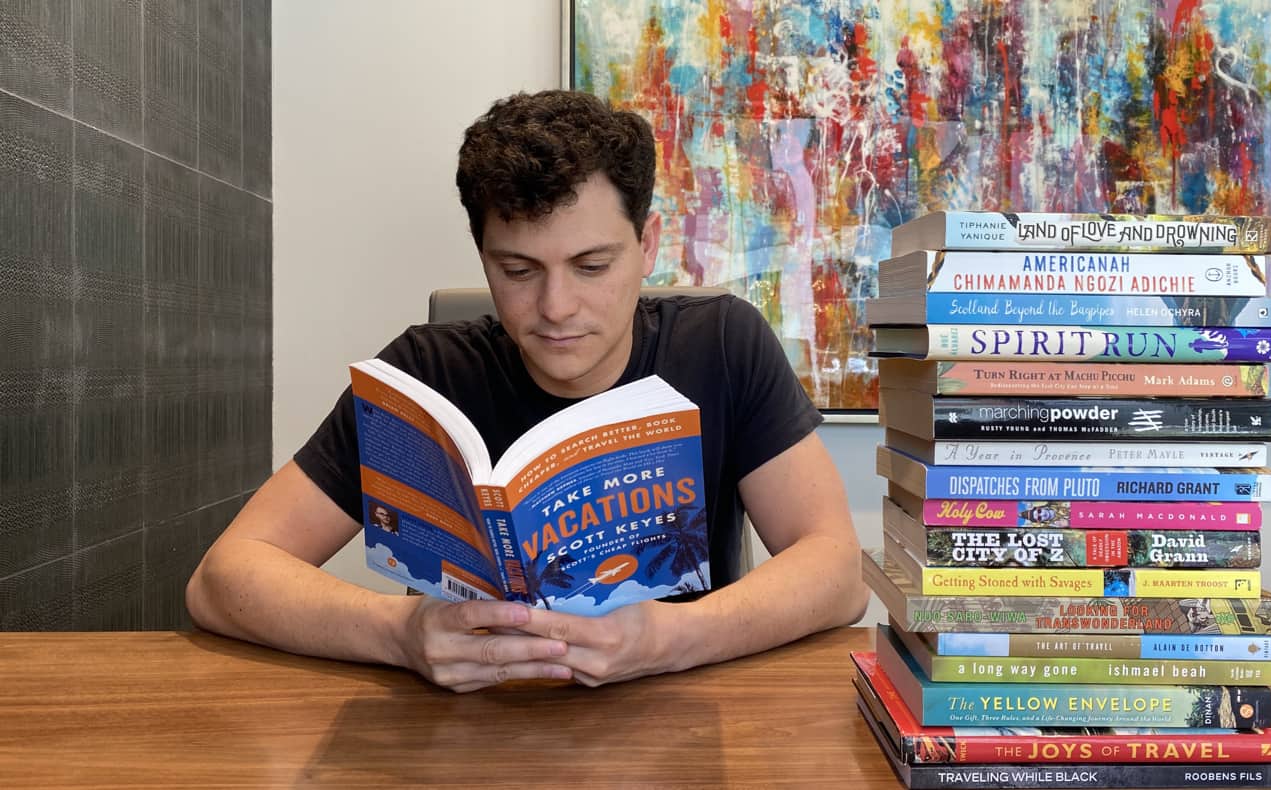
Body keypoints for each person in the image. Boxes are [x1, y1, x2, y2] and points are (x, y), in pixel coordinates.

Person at [186, 90, 868, 693]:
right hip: (463, 740)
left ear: (649, 244)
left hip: (681, 727)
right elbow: (223, 579)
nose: (556, 306)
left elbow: (837, 572)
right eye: (518, 270)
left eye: (592, 264)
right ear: (483, 255)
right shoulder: (426, 376)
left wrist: (670, 639)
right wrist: (400, 633)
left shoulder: (722, 345)